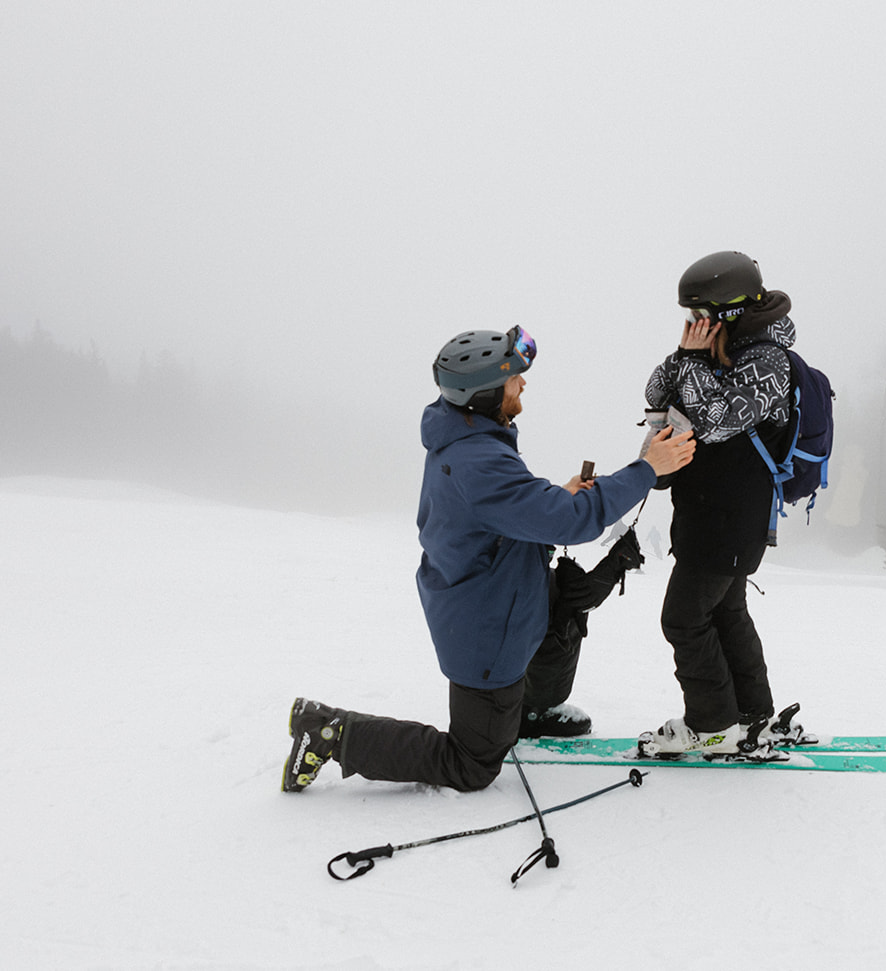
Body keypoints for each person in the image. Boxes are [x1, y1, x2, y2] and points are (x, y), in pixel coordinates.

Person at [282, 324, 695, 793]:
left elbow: (501, 512)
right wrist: (647, 469)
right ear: (483, 395)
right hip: (486, 634)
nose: (523, 384)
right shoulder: (480, 461)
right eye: (514, 378)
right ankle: (330, 733)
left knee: (534, 658)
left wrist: (553, 498)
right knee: (472, 764)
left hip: (490, 606)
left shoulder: (470, 439)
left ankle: (524, 716)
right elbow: (572, 520)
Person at [638, 251, 805, 755]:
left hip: (732, 519)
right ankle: (753, 717)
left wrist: (691, 362)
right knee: (727, 613)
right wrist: (685, 358)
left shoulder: (768, 361)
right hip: (705, 512)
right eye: (689, 319)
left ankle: (712, 726)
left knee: (684, 619)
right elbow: (655, 391)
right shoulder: (714, 354)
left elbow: (714, 419)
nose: (693, 327)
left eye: (700, 317)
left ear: (728, 312)